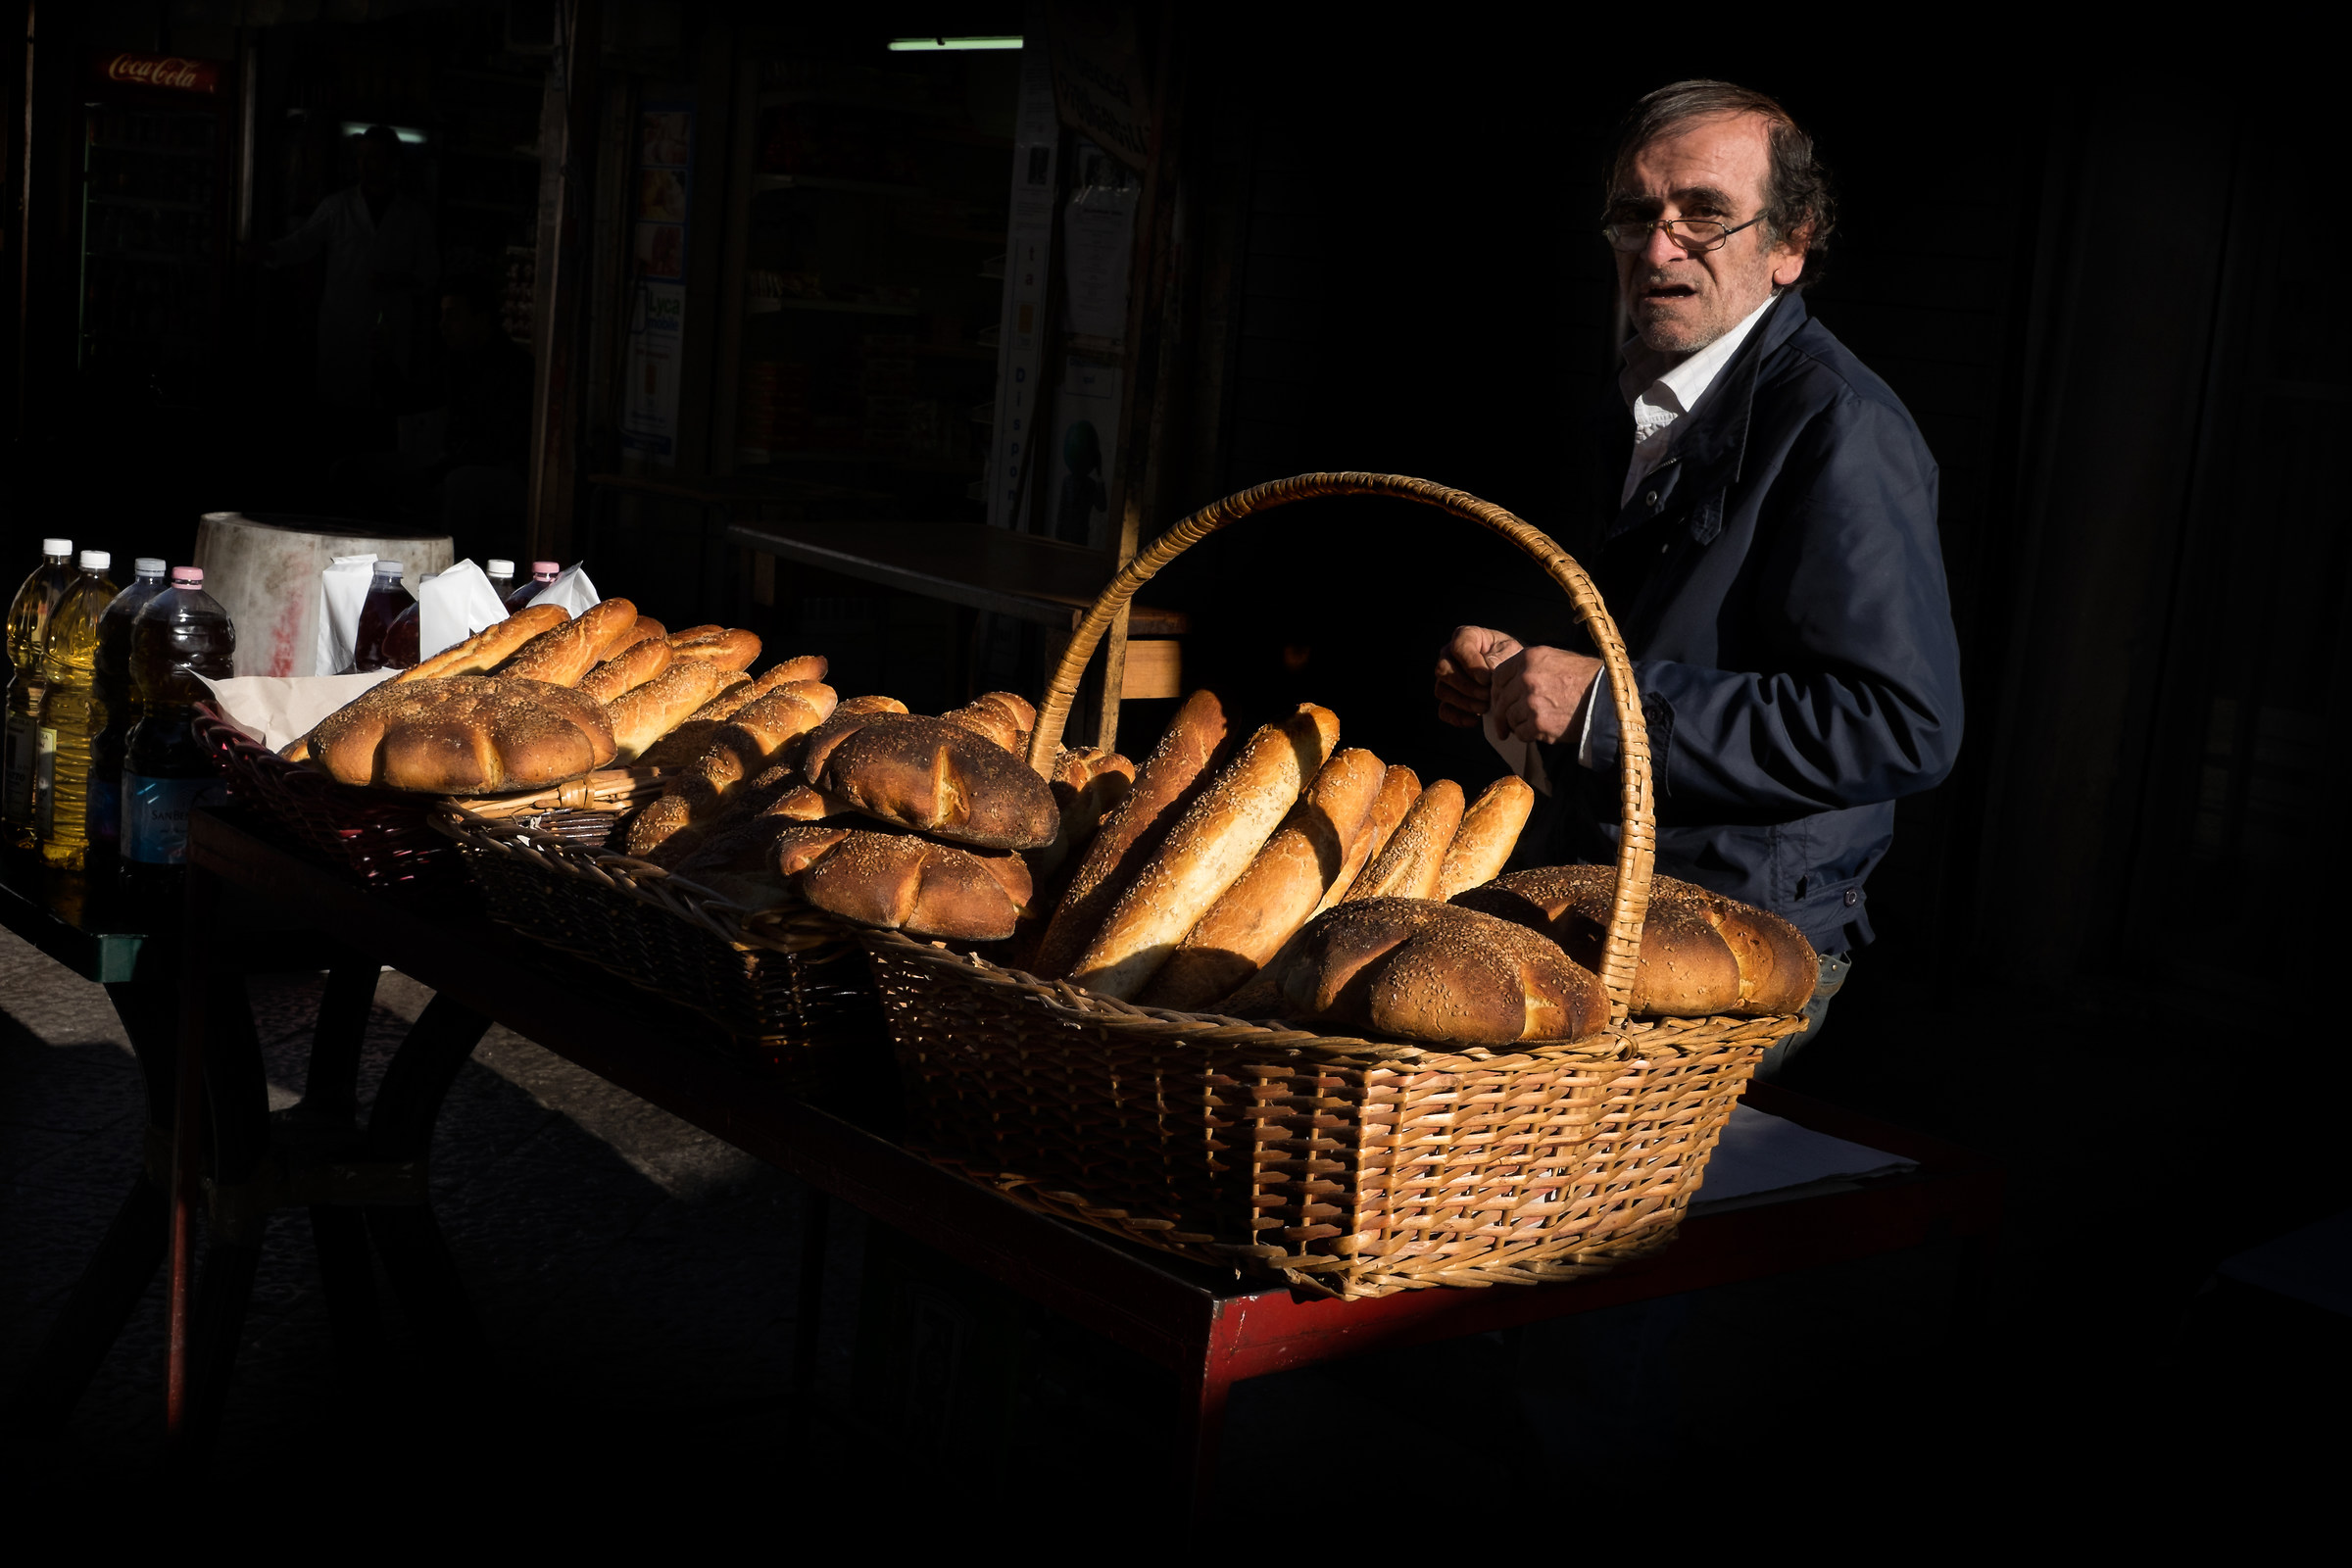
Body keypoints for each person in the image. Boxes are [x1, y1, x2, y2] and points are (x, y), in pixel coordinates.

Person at [1434, 80, 1962, 1077]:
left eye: (1705, 216)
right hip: (1612, 902)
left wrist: (1605, 708)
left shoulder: (1840, 428)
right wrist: (1518, 679)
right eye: (1636, 215)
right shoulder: (1652, 386)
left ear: (1791, 245)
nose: (1661, 245)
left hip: (1733, 946)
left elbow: (1900, 724)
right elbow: (1672, 636)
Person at [256, 123, 439, 418]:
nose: (364, 165)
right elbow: (302, 243)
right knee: (340, 413)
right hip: (342, 325)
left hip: (390, 328)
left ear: (393, 163)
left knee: (383, 413)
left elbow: (429, 273)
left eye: (373, 157)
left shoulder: (414, 216)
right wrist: (271, 252)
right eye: (360, 157)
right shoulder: (337, 206)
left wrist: (397, 280)